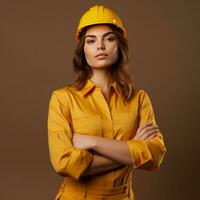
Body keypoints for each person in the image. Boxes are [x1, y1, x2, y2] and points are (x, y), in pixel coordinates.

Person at [47, 4, 167, 200]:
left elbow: (154, 156)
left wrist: (93, 142)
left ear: (119, 45)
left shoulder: (139, 99)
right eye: (91, 41)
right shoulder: (62, 98)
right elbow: (65, 163)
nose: (100, 46)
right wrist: (133, 148)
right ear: (83, 50)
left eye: (109, 39)